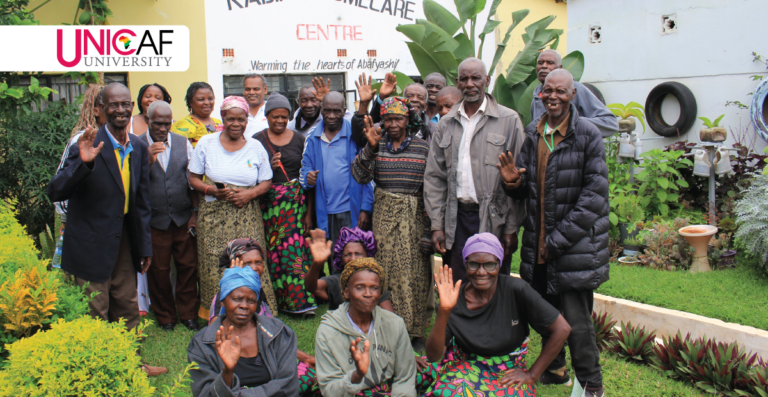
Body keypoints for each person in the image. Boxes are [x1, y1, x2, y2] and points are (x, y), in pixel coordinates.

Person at [498, 69, 610, 397]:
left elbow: (594, 197)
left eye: (561, 91)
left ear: (573, 95)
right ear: (540, 94)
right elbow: (524, 193)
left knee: (576, 323)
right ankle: (556, 368)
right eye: (548, 91)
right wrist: (512, 182)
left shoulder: (587, 134)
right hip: (539, 246)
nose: (553, 97)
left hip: (572, 248)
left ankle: (592, 385)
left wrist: (557, 241)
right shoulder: (534, 133)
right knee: (547, 316)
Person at [47, 82, 166, 376]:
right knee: (95, 306)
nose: (121, 110)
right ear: (101, 110)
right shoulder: (86, 142)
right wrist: (83, 164)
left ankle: (131, 365)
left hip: (124, 238)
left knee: (127, 304)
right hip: (89, 240)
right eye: (113, 105)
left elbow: (141, 201)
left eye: (126, 104)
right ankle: (96, 371)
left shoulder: (138, 146)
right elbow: (55, 191)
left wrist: (145, 246)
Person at [424, 233, 571, 396]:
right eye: (474, 264)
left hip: (508, 370)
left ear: (499, 265)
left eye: (489, 265)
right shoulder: (454, 300)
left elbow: (562, 329)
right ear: (465, 265)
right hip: (466, 364)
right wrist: (444, 312)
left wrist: (532, 374)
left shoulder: (516, 290)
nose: (481, 272)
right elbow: (433, 356)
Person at [424, 57, 525, 283]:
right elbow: (435, 178)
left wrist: (511, 228)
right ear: (458, 82)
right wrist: (437, 225)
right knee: (459, 282)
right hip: (456, 218)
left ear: (487, 80)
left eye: (476, 78)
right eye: (464, 78)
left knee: (492, 282)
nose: (470, 83)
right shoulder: (446, 123)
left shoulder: (508, 120)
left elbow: (518, 180)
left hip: (493, 219)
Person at [351, 95, 432, 345]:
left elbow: (431, 192)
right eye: (387, 119)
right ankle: (386, 326)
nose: (392, 124)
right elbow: (359, 176)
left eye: (397, 118)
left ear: (408, 120)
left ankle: (415, 330)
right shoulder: (377, 144)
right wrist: (371, 149)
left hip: (414, 218)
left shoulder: (423, 149)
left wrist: (430, 230)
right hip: (384, 217)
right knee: (384, 271)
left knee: (416, 273)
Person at [188, 95, 274, 320]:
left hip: (247, 214)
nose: (236, 124)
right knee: (213, 263)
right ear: (223, 118)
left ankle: (258, 312)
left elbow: (266, 181)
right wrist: (212, 191)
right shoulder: (207, 143)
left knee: (251, 261)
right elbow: (193, 178)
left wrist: (250, 194)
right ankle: (214, 314)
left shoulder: (256, 147)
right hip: (213, 216)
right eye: (231, 119)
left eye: (241, 119)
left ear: (247, 120)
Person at [207, 239, 319, 396]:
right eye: (247, 263)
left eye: (258, 262)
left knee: (311, 375)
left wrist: (304, 357)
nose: (254, 268)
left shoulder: (258, 292)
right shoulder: (224, 297)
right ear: (235, 263)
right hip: (239, 367)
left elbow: (271, 336)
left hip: (266, 360)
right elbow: (215, 338)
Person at [315, 258, 439, 396]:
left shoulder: (394, 323)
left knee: (433, 372)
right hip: (352, 391)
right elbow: (329, 390)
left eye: (374, 288)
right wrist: (356, 376)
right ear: (346, 292)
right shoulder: (327, 332)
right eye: (359, 287)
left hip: (390, 386)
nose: (368, 294)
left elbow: (404, 377)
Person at [187, 266, 300, 396]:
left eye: (251, 300)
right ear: (222, 301)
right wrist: (227, 372)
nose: (244, 306)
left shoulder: (279, 333)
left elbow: (288, 385)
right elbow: (205, 394)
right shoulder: (201, 344)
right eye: (237, 299)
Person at [252, 93, 317, 315]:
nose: (279, 121)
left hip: (296, 206)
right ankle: (277, 299)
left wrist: (308, 214)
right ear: (267, 116)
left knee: (296, 251)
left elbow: (307, 175)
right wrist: (268, 166)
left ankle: (301, 301)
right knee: (273, 252)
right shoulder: (257, 140)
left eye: (284, 117)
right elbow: (252, 174)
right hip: (269, 207)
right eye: (275, 116)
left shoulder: (300, 139)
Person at [138, 100, 200, 332]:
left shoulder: (184, 144)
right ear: (147, 121)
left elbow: (192, 181)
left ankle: (188, 313)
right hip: (155, 221)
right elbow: (132, 184)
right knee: (159, 270)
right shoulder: (137, 145)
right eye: (158, 124)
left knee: (187, 266)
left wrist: (194, 213)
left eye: (167, 124)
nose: (163, 129)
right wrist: (148, 160)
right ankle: (165, 316)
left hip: (182, 217)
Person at [299, 91, 373, 270]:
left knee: (355, 256)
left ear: (344, 111)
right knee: (333, 259)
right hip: (325, 211)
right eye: (328, 110)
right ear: (321, 110)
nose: (332, 116)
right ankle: (337, 297)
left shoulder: (354, 136)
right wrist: (308, 177)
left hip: (352, 210)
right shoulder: (312, 138)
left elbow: (368, 173)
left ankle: (356, 294)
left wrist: (366, 208)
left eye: (337, 111)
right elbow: (304, 170)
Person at [55, 84, 106, 236]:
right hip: (84, 223)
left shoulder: (125, 141)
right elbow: (62, 182)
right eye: (109, 105)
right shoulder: (82, 140)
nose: (116, 110)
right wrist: (66, 218)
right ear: (96, 110)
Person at [531, 50, 618, 138]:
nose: (544, 66)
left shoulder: (575, 88)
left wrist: (571, 123)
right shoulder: (537, 95)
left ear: (559, 68)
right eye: (540, 63)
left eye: (550, 63)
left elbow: (610, 122)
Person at [304, 227, 394, 312]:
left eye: (358, 254)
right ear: (341, 258)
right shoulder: (336, 281)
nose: (352, 259)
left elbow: (390, 317)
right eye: (347, 254)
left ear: (367, 256)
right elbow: (312, 287)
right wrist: (317, 263)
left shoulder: (374, 281)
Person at [353, 73, 436, 147]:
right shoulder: (384, 127)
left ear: (425, 106)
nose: (414, 100)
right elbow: (361, 138)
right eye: (410, 96)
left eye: (420, 97)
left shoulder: (434, 130)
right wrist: (364, 103)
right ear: (401, 102)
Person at [287, 79, 354, 139]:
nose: (309, 105)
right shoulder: (291, 127)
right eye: (304, 100)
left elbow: (350, 121)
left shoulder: (330, 117)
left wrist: (329, 100)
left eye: (313, 100)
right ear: (298, 102)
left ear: (320, 100)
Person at [172, 82, 223, 147]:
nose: (207, 102)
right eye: (201, 99)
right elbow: (179, 150)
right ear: (190, 102)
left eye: (210, 98)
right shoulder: (184, 124)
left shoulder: (218, 122)